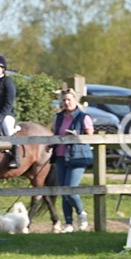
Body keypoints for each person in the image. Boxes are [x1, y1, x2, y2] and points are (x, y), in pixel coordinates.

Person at [51, 89, 95, 233]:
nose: (66, 102)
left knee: (71, 189)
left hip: (78, 156)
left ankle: (81, 213)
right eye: (64, 100)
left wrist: (77, 135)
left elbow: (90, 137)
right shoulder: (58, 117)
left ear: (76, 100)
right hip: (60, 156)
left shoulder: (83, 117)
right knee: (64, 191)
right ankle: (68, 223)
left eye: (69, 99)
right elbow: (55, 133)